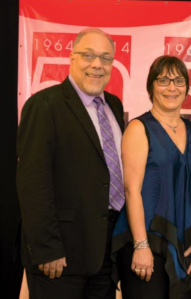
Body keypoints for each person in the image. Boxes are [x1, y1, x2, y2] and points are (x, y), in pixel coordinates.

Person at [16, 28, 124, 299]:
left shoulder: (113, 105)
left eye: (105, 58)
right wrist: (47, 248)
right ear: (71, 58)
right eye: (88, 55)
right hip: (60, 255)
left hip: (105, 253)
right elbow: (33, 183)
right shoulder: (44, 105)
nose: (97, 64)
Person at [112, 55, 191, 299]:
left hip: (186, 242)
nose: (172, 87)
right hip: (146, 240)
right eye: (163, 80)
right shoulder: (138, 128)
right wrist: (141, 245)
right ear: (151, 86)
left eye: (178, 81)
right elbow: (132, 191)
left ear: (186, 89)